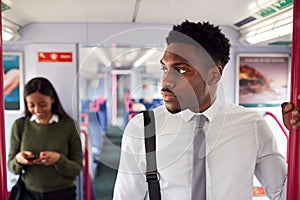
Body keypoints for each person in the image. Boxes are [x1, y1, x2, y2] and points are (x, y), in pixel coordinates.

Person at [113, 20, 286, 199]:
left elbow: (282, 193)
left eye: (181, 70)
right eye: (165, 68)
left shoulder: (252, 125)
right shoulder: (143, 128)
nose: (166, 82)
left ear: (213, 75)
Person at [8, 77, 83, 200]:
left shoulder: (69, 126)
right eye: (31, 105)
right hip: (29, 194)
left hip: (62, 194)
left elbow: (76, 168)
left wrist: (59, 159)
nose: (37, 110)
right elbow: (11, 167)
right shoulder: (20, 125)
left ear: (52, 99)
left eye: (42, 104)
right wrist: (19, 160)